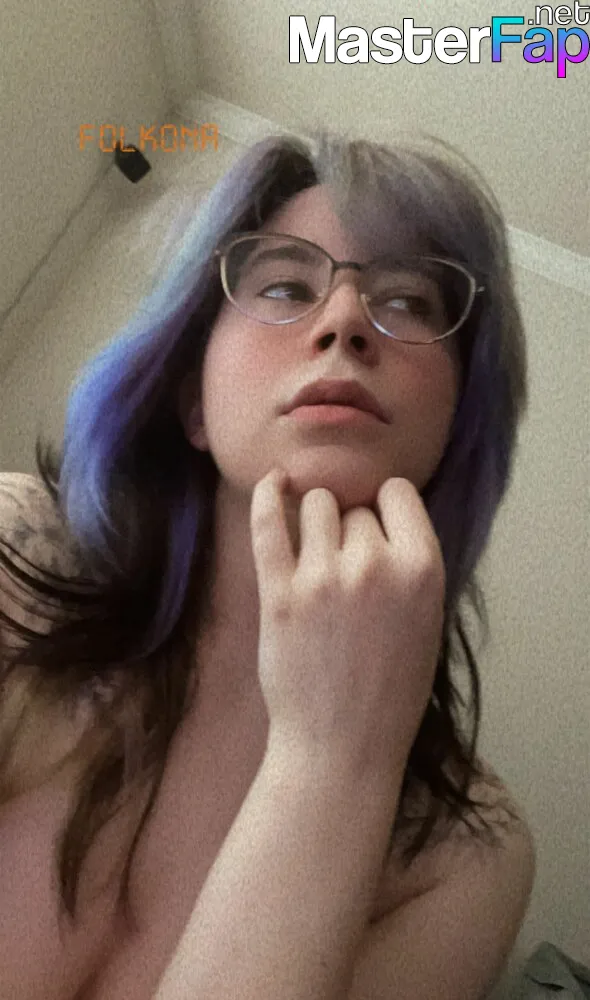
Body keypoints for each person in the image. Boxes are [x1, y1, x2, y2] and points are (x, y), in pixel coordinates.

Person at [0, 130, 536, 1000]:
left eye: (408, 302)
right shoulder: (13, 555)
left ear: (457, 420)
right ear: (193, 401)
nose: (345, 321)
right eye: (286, 286)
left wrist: (336, 762)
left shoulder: (467, 857)